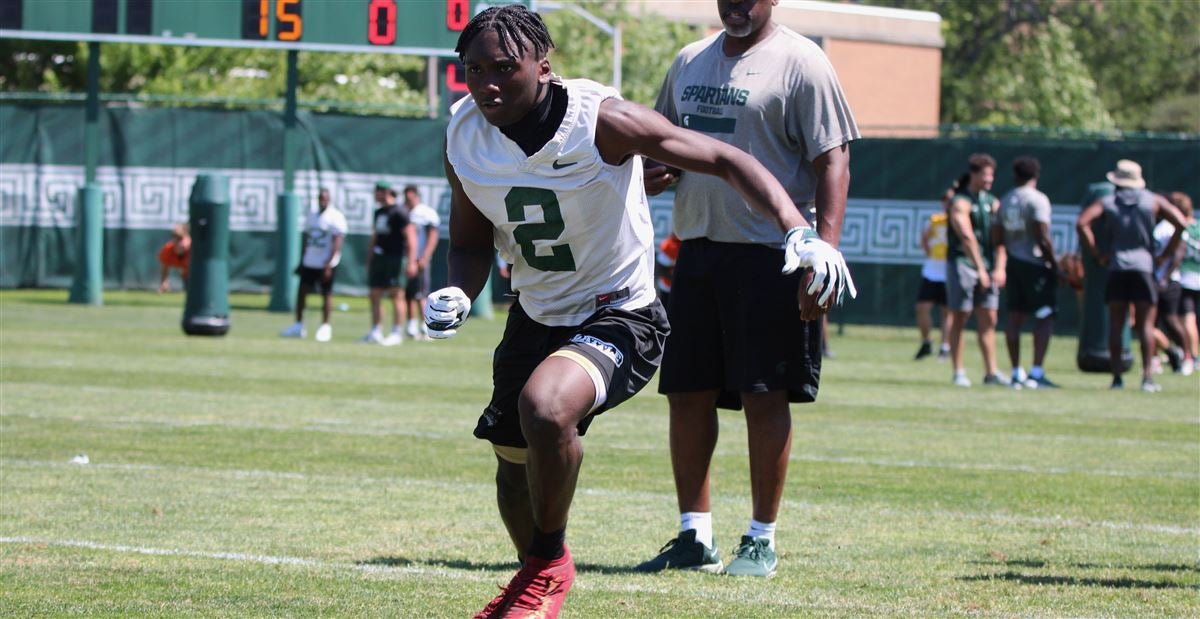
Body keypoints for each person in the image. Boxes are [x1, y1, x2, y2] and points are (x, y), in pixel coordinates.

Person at [424, 5, 854, 617]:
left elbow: (729, 159)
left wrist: (800, 232)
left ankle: (548, 568)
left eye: (504, 67)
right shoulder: (463, 132)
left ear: (543, 67)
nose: (488, 83)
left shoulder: (601, 121)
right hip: (536, 312)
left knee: (546, 410)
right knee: (514, 472)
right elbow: (468, 241)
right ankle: (539, 574)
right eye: (473, 69)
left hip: (619, 312)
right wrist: (460, 291)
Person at [635, 0, 859, 579]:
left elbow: (834, 162)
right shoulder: (689, 60)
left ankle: (761, 539)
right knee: (686, 393)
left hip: (773, 255)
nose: (736, 4)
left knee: (765, 394)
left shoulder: (802, 62)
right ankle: (694, 535)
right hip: (698, 248)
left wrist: (823, 256)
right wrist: (656, 172)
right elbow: (662, 144)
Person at [1076, 160, 1186, 391]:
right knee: (1146, 325)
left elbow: (1082, 222)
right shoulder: (1152, 200)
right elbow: (1181, 222)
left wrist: (1097, 253)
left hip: (1117, 267)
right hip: (1145, 267)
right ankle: (1147, 377)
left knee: (1116, 324)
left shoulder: (1108, 201)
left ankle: (1117, 378)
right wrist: (1164, 255)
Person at [994, 156, 1060, 388]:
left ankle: (1015, 372)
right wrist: (1055, 264)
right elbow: (1043, 236)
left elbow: (997, 237)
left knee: (1014, 316)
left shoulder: (1006, 200)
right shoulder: (1037, 200)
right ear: (1036, 175)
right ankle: (1036, 372)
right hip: (1034, 264)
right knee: (1044, 314)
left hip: (1013, 262)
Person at [945, 154, 1006, 387]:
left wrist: (999, 268)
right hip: (964, 265)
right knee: (961, 315)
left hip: (989, 268)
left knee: (989, 317)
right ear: (974, 174)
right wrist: (980, 269)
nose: (989, 179)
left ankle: (992, 372)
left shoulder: (993, 202)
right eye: (985, 175)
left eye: (992, 175)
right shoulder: (960, 201)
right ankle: (959, 371)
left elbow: (1002, 239)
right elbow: (967, 237)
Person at [281, 187, 347, 342]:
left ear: (329, 199)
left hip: (326, 262)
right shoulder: (312, 215)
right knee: (302, 292)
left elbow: (337, 241)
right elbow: (307, 239)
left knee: (326, 294)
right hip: (310, 261)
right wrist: (302, 260)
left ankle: (325, 327)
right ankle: (298, 325)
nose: (322, 201)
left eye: (325, 198)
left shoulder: (335, 217)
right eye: (320, 198)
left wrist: (329, 263)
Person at [363, 181, 418, 346]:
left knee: (397, 294)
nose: (375, 195)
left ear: (385, 192)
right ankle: (376, 330)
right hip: (380, 258)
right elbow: (375, 236)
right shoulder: (379, 212)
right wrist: (370, 257)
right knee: (375, 293)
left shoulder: (400, 212)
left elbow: (411, 238)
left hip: (396, 258)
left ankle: (396, 332)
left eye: (377, 191)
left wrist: (411, 262)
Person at [914, 189, 952, 360]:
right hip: (932, 270)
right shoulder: (936, 220)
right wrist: (930, 253)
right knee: (922, 307)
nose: (946, 203)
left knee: (947, 311)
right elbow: (924, 238)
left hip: (950, 271)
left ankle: (945, 347)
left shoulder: (961, 220)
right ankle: (927, 341)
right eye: (944, 200)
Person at [402, 185, 441, 341]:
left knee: (421, 294)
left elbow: (432, 236)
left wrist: (425, 256)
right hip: (405, 259)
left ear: (417, 196)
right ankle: (411, 325)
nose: (408, 201)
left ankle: (426, 326)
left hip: (419, 258)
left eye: (410, 197)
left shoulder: (425, 213)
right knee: (407, 294)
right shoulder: (404, 212)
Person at [1172, 192, 1199, 375]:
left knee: (1187, 319)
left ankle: (1193, 356)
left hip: (1187, 279)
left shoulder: (1181, 229)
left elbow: (1177, 255)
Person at [156, 223, 190, 293]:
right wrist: (164, 282)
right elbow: (165, 267)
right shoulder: (168, 250)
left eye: (181, 238)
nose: (178, 242)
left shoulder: (196, 250)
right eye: (175, 238)